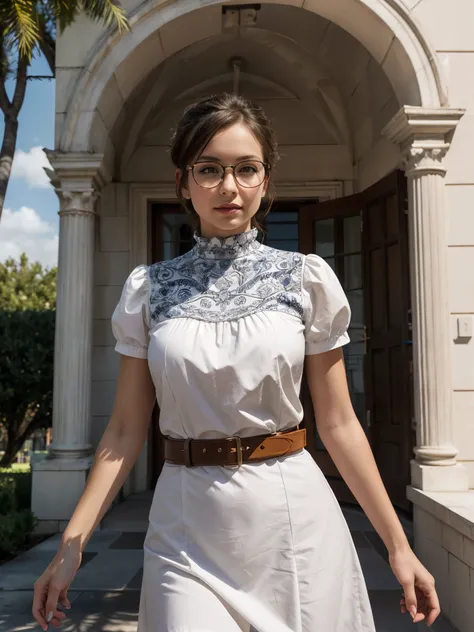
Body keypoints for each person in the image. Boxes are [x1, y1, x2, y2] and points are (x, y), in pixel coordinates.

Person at [33, 93, 440, 632]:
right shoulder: (147, 290)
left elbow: (340, 423)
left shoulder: (306, 278)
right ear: (183, 182)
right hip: (185, 524)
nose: (229, 186)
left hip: (291, 519)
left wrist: (398, 544)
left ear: (265, 181)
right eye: (210, 169)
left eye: (246, 169)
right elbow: (125, 431)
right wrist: (70, 546)